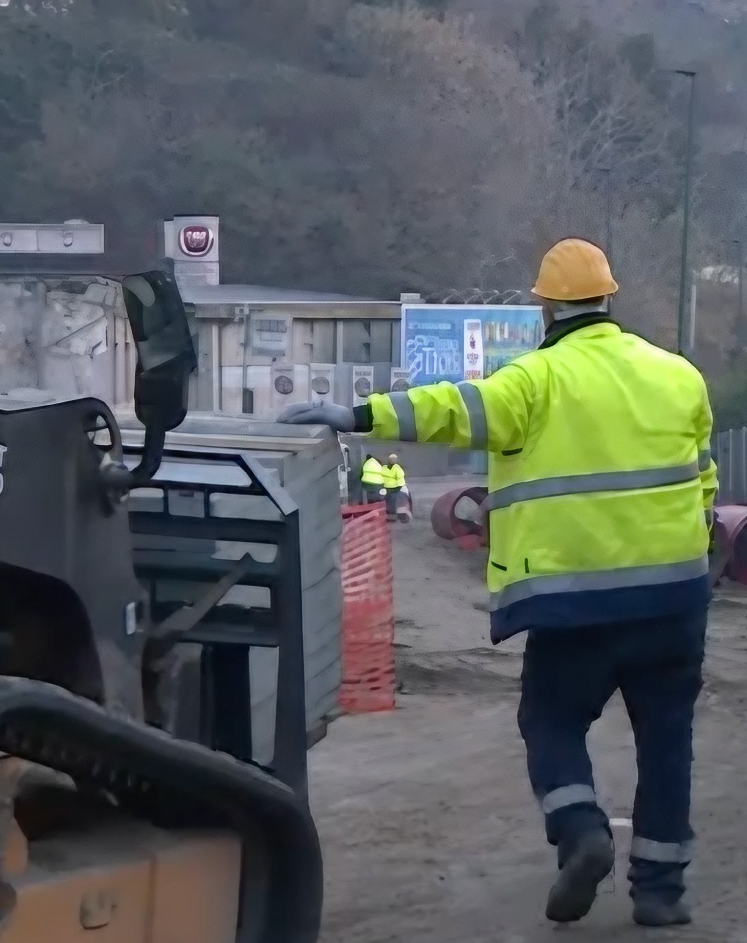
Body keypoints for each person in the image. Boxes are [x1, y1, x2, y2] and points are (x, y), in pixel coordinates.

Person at [276, 237, 715, 928]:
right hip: (673, 599)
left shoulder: (534, 381)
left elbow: (450, 407)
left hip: (574, 602)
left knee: (551, 720)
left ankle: (581, 831)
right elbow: (704, 479)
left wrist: (357, 417)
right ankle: (660, 892)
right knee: (667, 739)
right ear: (609, 298)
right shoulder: (678, 376)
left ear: (546, 308)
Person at [382, 453, 409, 521]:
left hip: (386, 487)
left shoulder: (384, 468)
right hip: (396, 488)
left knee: (388, 501)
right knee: (398, 500)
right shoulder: (398, 468)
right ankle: (396, 514)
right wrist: (403, 485)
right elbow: (400, 477)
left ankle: (389, 513)